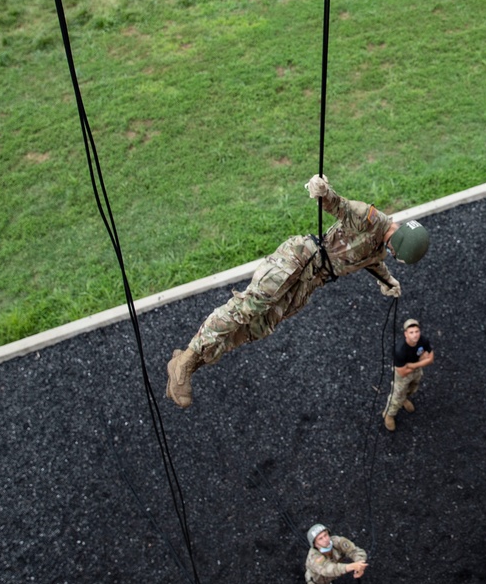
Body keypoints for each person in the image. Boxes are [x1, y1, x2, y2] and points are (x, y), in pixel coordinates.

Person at [165, 174, 430, 408]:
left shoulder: (382, 246)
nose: (392, 255)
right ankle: (187, 359)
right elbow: (340, 206)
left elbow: (373, 261)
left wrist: (388, 281)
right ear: (399, 244)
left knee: (259, 327)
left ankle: (191, 364)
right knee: (250, 306)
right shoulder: (369, 219)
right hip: (301, 257)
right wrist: (323, 191)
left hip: (313, 280)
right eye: (398, 255)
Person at [383, 318, 435, 431]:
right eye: (411, 332)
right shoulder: (400, 350)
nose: (415, 335)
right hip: (402, 375)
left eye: (417, 331)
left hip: (414, 369)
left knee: (413, 387)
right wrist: (421, 361)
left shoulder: (423, 340)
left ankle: (404, 399)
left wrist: (412, 365)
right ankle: (389, 414)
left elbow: (431, 359)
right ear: (406, 334)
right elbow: (402, 372)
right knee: (396, 395)